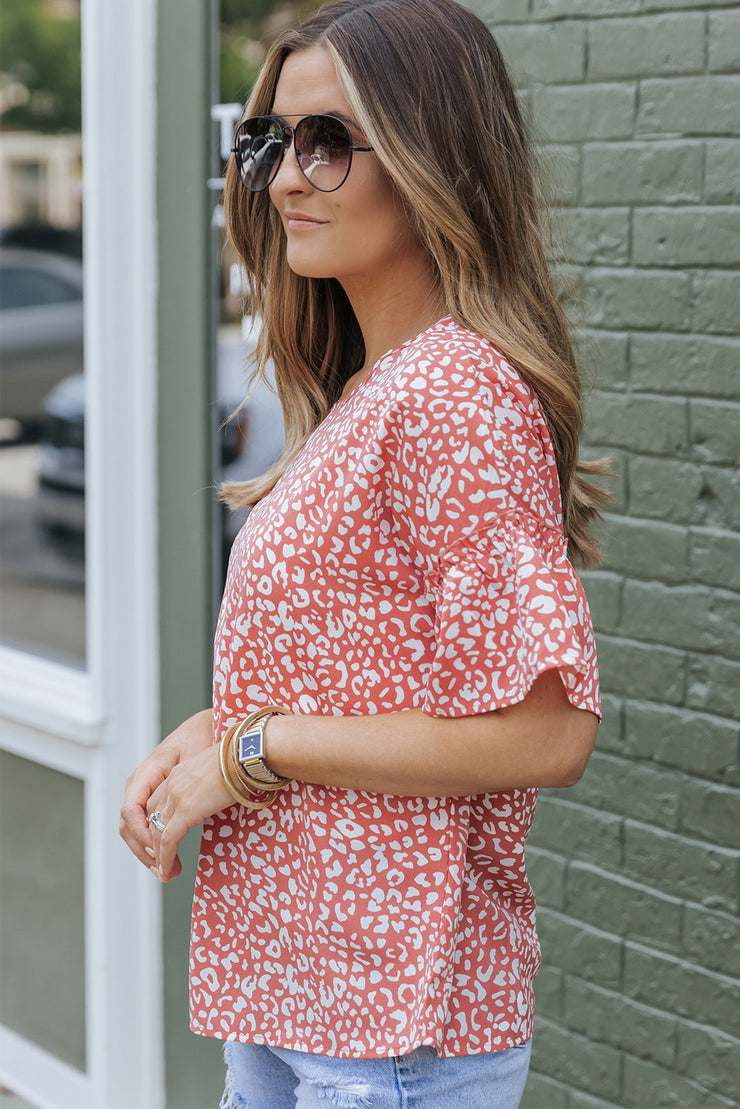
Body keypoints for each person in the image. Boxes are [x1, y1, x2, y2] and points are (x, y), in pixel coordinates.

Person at [120, 1, 610, 1105]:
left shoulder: (454, 392)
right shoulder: (371, 390)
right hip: (307, 993)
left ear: (435, 156)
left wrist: (255, 751)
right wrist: (212, 735)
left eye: (327, 141)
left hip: (392, 1021)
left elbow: (548, 726)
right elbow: (361, 674)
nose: (285, 177)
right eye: (267, 143)